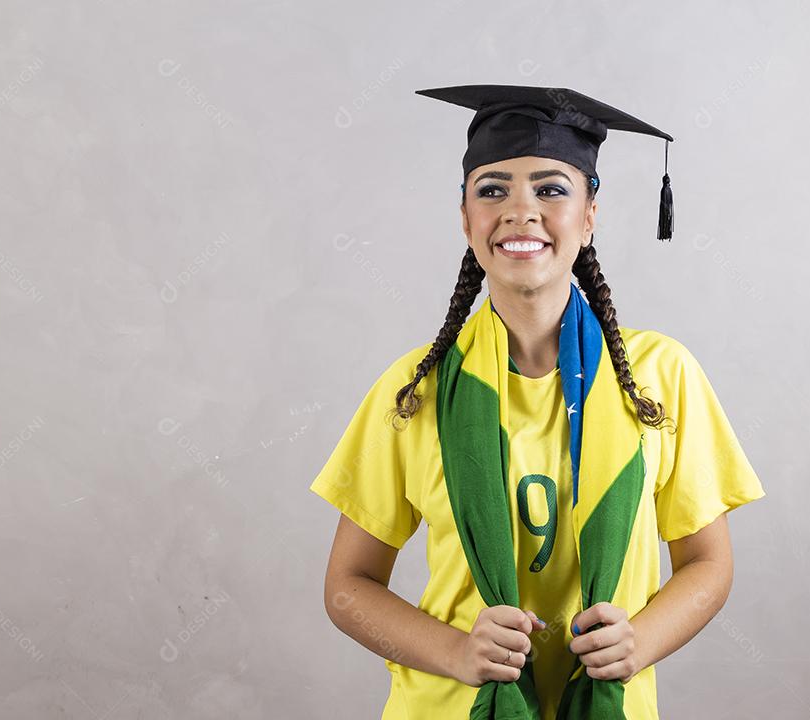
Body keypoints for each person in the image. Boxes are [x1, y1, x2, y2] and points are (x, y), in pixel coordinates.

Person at [309, 84, 766, 719]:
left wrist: (640, 642)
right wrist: (454, 651)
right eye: (492, 189)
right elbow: (347, 588)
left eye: (551, 189)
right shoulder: (415, 390)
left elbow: (708, 563)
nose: (521, 211)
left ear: (590, 215)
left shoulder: (659, 377)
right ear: (465, 217)